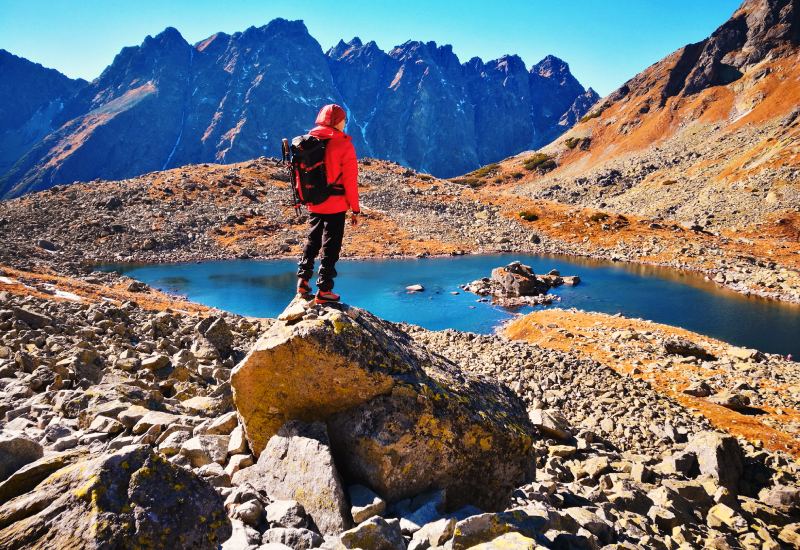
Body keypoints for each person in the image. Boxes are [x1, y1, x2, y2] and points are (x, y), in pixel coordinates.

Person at [297, 104, 360, 304]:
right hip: (336, 205)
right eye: (343, 120)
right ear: (336, 121)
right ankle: (324, 289)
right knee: (331, 246)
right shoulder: (343, 144)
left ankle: (303, 280)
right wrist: (355, 209)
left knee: (312, 240)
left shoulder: (308, 141)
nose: (345, 123)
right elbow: (350, 180)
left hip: (314, 202)